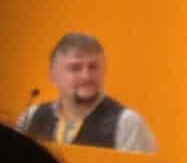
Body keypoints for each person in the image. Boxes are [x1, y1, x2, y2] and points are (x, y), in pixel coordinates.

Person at [16, 33, 157, 153]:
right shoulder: (31, 118)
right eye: (75, 68)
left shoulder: (127, 124)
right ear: (53, 76)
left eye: (93, 67)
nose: (86, 76)